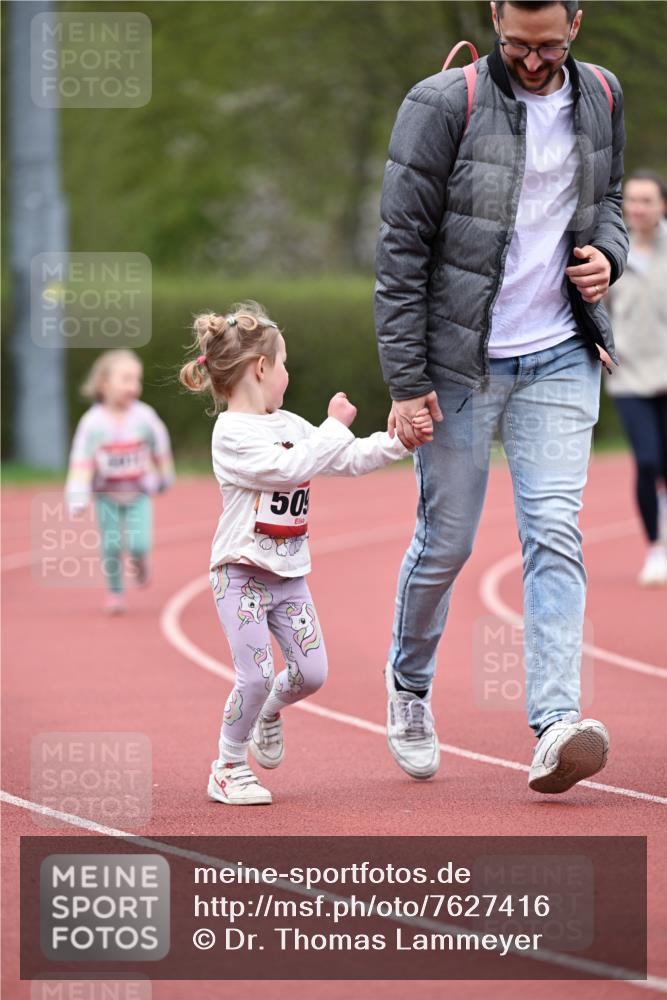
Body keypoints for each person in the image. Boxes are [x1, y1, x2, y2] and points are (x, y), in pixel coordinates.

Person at [374, 0, 629, 793]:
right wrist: (408, 381)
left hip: (559, 352)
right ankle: (409, 687)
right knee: (446, 542)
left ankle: (555, 725)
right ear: (493, 18)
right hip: (458, 365)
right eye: (515, 43)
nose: (530, 58)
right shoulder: (441, 103)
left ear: (576, 25)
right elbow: (400, 251)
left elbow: (610, 201)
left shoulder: (602, 94)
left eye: (546, 44)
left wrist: (607, 260)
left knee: (553, 529)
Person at [179, 301, 427, 806]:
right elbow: (285, 470)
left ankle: (268, 712)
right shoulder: (231, 434)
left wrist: (399, 442)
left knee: (311, 674)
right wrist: (334, 425)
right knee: (254, 674)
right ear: (262, 368)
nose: (288, 374)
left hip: (288, 576)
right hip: (241, 575)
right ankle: (227, 767)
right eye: (285, 364)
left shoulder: (290, 424)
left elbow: (347, 456)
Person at [65, 349, 175, 614]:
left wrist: (164, 476)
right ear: (104, 384)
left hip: (138, 493)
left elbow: (160, 444)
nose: (133, 386)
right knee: (111, 546)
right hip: (106, 494)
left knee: (139, 543)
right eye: (126, 379)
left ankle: (139, 559)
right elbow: (81, 460)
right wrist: (77, 496)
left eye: (136, 380)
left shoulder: (145, 417)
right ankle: (115, 593)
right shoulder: (92, 423)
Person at [603, 170, 667, 586]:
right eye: (633, 200)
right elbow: (593, 306)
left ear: (663, 205)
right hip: (629, 377)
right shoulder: (612, 250)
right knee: (647, 461)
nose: (639, 208)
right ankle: (655, 549)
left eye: (648, 200)